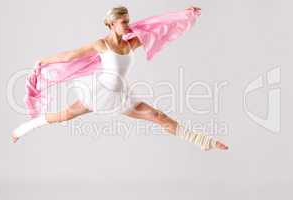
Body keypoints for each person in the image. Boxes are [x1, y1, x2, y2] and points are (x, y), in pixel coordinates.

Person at [12, 5, 229, 151]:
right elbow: (70, 55)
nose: (127, 25)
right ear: (111, 24)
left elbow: (159, 26)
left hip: (120, 95)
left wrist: (184, 15)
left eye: (128, 21)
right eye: (123, 22)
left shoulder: (131, 42)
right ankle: (23, 129)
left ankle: (202, 141)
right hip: (98, 92)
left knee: (158, 115)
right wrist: (43, 61)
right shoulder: (101, 44)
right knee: (66, 114)